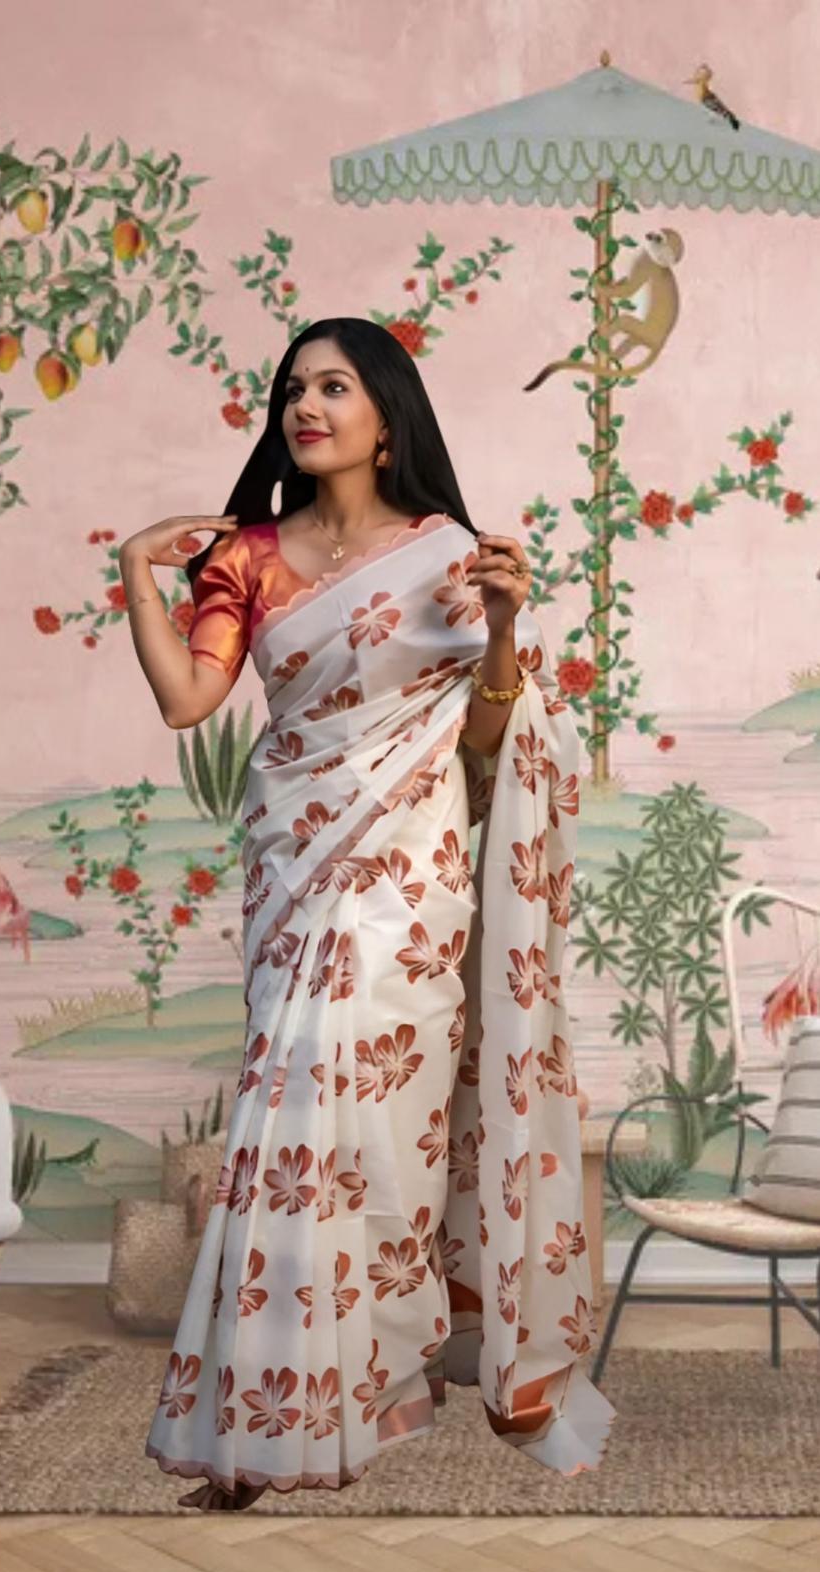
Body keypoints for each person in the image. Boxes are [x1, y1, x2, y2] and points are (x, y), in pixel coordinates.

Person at [122, 317, 615, 1511]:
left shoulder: (447, 552)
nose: (306, 405)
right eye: (294, 388)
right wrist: (140, 572)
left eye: (334, 386)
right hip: (294, 861)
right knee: (285, 1115)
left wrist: (502, 628)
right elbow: (193, 701)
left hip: (409, 875)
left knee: (366, 1122)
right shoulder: (246, 557)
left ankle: (364, 1385)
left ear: (387, 413)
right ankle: (266, 1424)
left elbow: (492, 738)